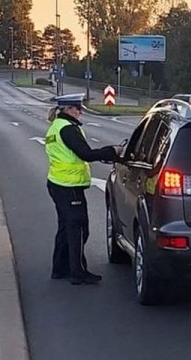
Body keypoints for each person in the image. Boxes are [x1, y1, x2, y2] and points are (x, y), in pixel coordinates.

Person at [44, 94, 123, 285]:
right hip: (69, 186)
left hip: (58, 183)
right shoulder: (68, 129)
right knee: (79, 229)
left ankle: (60, 269)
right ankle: (78, 272)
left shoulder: (56, 126)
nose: (80, 111)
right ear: (67, 109)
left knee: (65, 228)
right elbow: (85, 154)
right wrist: (112, 151)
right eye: (77, 108)